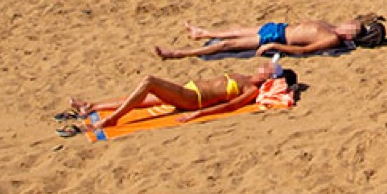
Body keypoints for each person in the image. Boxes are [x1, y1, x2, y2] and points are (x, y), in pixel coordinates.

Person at [68, 60, 295, 129]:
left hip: (192, 100)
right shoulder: (244, 76)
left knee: (149, 82)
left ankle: (112, 119)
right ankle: (92, 106)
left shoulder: (251, 89)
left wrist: (196, 115)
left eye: (267, 67)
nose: (263, 66)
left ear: (269, 77)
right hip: (189, 90)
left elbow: (229, 107)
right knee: (143, 98)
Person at [154, 14, 387, 59]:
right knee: (237, 28)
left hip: (278, 38)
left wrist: (277, 46)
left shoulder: (333, 39)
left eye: (352, 30)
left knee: (227, 44)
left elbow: (305, 50)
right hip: (278, 27)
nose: (348, 26)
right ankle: (202, 33)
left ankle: (178, 54)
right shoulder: (332, 26)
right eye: (351, 24)